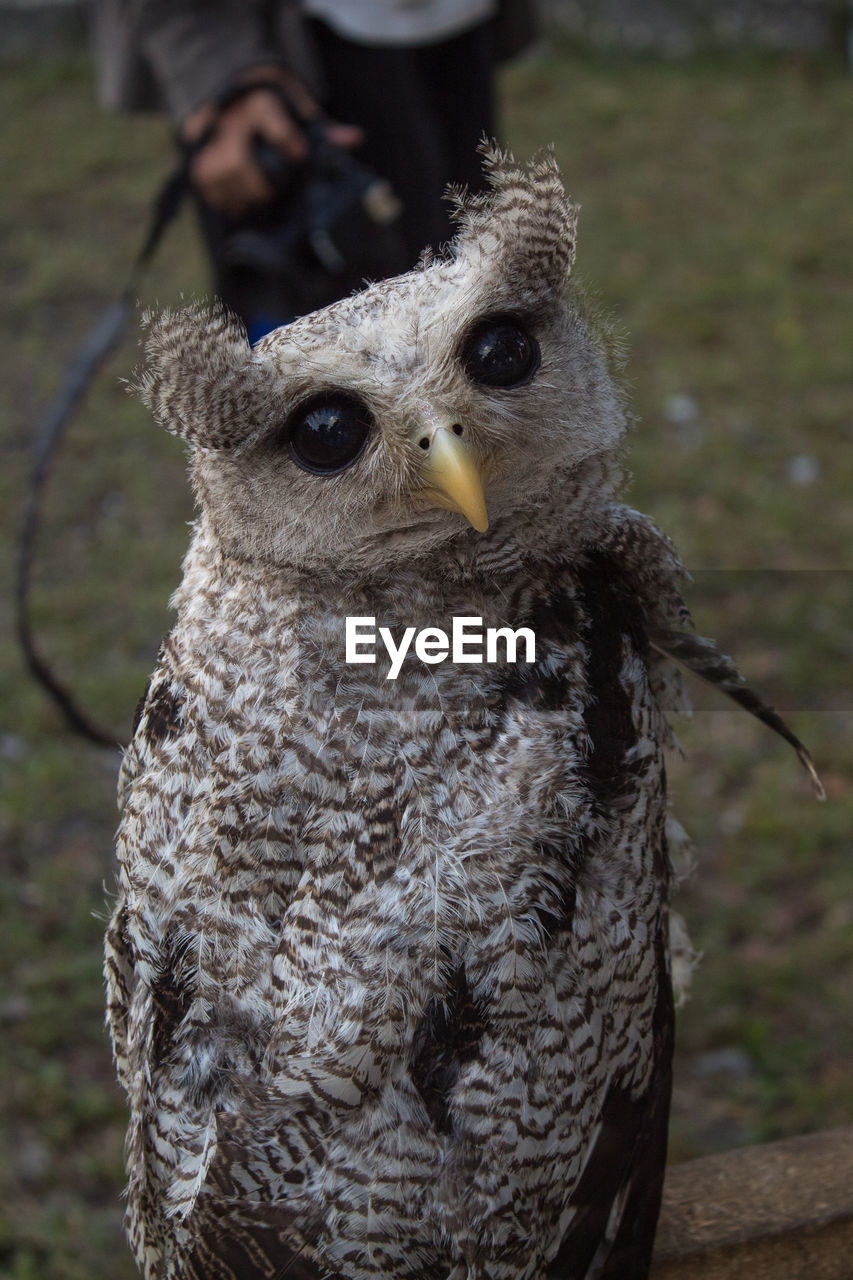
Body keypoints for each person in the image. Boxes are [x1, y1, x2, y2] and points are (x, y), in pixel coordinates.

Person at [92, 0, 538, 339]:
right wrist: (213, 60)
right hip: (289, 59)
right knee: (319, 392)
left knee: (466, 332)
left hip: (454, 29)